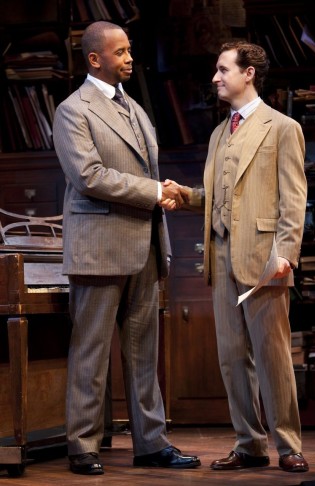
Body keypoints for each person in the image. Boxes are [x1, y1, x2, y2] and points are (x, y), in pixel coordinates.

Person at [53, 21, 200, 475]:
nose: (130, 58)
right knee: (91, 351)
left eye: (130, 50)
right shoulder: (73, 110)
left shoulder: (134, 107)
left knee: (143, 354)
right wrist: (156, 191)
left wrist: (162, 193)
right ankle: (82, 445)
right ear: (95, 58)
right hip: (99, 247)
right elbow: (89, 176)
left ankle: (151, 443)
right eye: (120, 52)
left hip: (144, 246)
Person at [183, 41, 309, 473]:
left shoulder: (281, 127)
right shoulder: (221, 132)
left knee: (272, 354)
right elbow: (220, 197)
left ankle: (288, 445)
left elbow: (294, 198)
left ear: (249, 72)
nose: (216, 78)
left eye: (223, 70)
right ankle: (249, 444)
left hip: (263, 257)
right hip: (221, 257)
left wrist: (287, 255)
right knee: (232, 356)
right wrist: (184, 196)